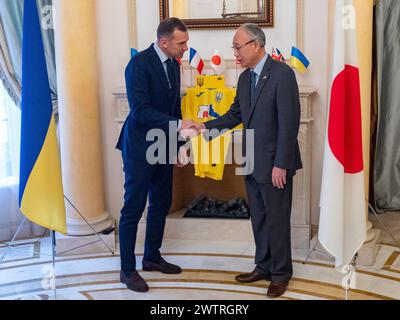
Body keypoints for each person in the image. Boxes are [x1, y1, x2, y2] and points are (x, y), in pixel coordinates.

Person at [188, 23, 302, 298]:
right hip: (251, 160)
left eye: (237, 47)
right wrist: (204, 127)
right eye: (233, 48)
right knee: (259, 218)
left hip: (275, 163)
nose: (235, 53)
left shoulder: (282, 75)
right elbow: (234, 115)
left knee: (276, 219)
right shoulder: (244, 78)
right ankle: (262, 266)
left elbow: (289, 123)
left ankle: (281, 273)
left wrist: (281, 164)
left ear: (255, 45)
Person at [116, 17, 193, 293]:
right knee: (133, 209)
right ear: (164, 42)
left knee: (162, 202)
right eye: (181, 42)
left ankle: (151, 257)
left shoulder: (173, 65)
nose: (185, 47)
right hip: (139, 147)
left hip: (163, 144)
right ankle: (127, 270)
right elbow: (140, 111)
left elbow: (175, 110)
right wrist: (178, 126)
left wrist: (178, 145)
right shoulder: (138, 65)